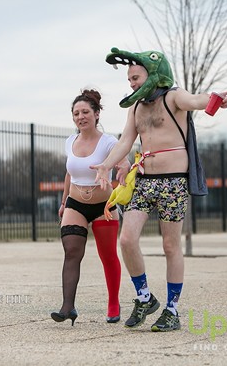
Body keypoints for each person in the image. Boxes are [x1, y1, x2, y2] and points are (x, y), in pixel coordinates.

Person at [92, 48, 227, 332]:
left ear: (152, 73)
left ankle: (172, 310)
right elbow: (125, 142)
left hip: (173, 182)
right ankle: (144, 298)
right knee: (127, 239)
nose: (131, 83)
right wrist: (106, 165)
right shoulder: (135, 108)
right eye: (129, 79)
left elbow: (196, 100)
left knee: (170, 246)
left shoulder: (173, 96)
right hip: (143, 181)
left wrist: (215, 99)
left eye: (135, 77)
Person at [51, 89, 130, 325]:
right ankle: (67, 307)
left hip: (103, 207)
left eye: (85, 112)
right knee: (72, 252)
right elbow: (69, 172)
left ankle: (113, 303)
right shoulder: (69, 142)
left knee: (108, 256)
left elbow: (123, 162)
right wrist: (64, 201)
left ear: (96, 114)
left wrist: (122, 170)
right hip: (75, 204)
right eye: (76, 113)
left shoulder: (108, 142)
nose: (80, 116)